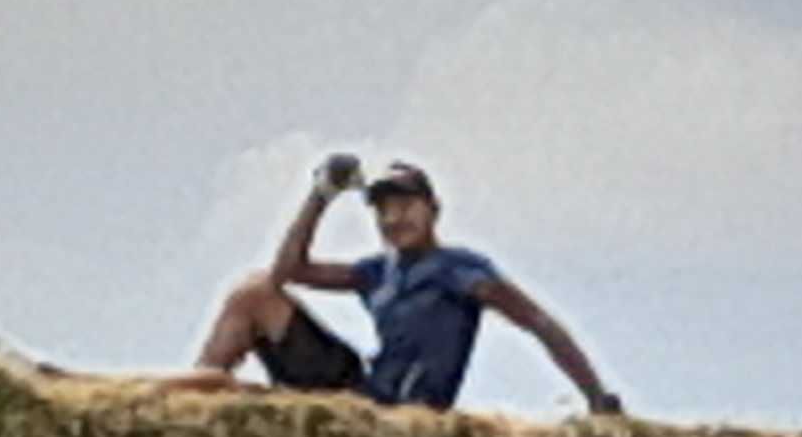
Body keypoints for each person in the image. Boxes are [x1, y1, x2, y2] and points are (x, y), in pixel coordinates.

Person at [190, 157, 623, 416]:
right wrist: (320, 195)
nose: (395, 218)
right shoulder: (376, 273)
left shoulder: (460, 269)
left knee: (252, 395)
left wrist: (596, 396)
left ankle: (187, 393)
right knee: (254, 292)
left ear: (433, 209)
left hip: (405, 415)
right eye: (384, 210)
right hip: (359, 392)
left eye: (406, 206)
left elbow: (538, 322)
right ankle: (180, 408)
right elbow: (287, 272)